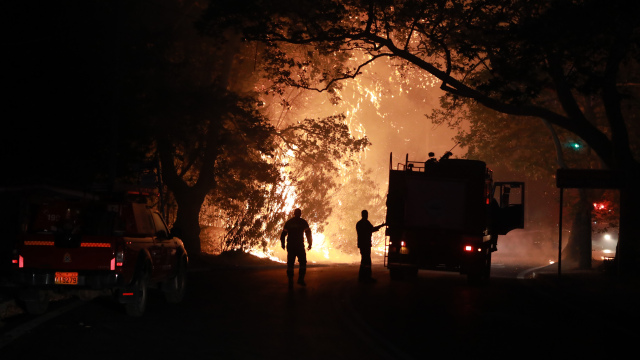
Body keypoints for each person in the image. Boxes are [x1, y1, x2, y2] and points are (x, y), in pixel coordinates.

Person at [281, 208, 313, 289]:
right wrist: (310, 243)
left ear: (294, 213)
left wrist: (283, 243)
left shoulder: (289, 222)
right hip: (299, 245)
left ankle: (290, 279)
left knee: (290, 262)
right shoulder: (303, 222)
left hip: (291, 245)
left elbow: (283, 234)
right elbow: (308, 233)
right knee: (302, 262)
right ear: (300, 214)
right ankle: (301, 279)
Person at [356, 210, 385, 283]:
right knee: (367, 261)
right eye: (366, 214)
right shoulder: (366, 223)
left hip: (362, 244)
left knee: (363, 260)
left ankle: (361, 277)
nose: (367, 216)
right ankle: (367, 277)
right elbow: (372, 229)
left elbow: (369, 230)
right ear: (365, 215)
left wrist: (380, 226)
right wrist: (381, 226)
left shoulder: (359, 223)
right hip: (366, 244)